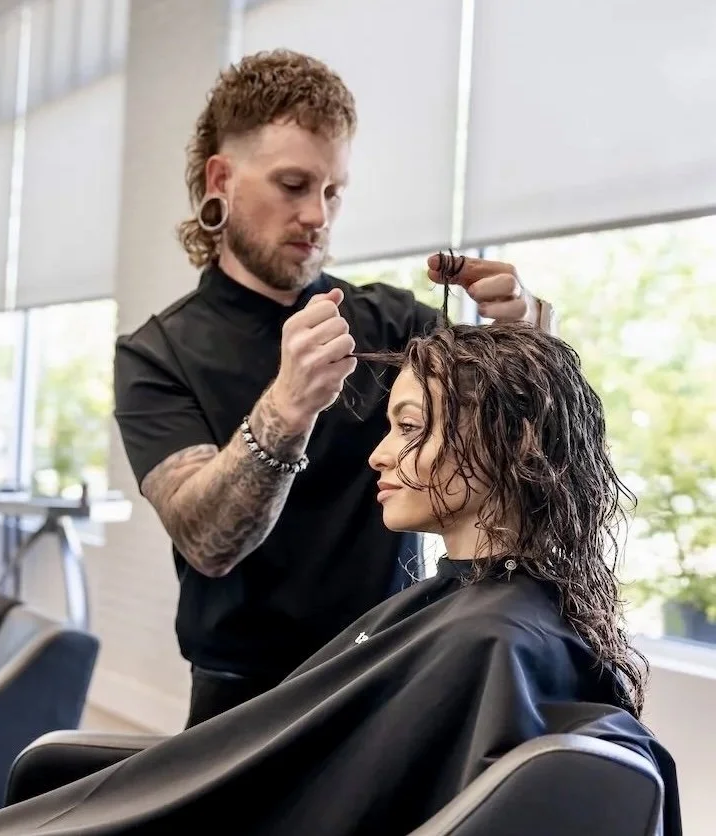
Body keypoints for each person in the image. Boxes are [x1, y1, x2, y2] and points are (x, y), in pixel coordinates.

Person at [0, 322, 681, 836]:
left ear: (513, 439)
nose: (378, 456)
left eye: (411, 429)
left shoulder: (488, 639)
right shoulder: (503, 622)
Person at [113, 49, 557, 726]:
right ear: (222, 179)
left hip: (389, 669)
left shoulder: (391, 322)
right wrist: (287, 408)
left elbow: (525, 439)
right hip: (243, 697)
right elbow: (207, 542)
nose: (318, 216)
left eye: (333, 190)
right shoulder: (157, 354)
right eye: (293, 184)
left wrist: (529, 329)